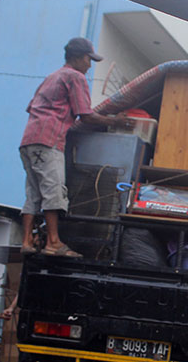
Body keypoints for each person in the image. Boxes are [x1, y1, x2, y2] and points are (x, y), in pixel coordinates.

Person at [19, 37, 138, 258]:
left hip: (28, 141)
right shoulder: (75, 77)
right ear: (77, 57)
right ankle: (53, 242)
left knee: (33, 193)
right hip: (49, 141)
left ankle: (26, 241)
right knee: (54, 190)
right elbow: (86, 115)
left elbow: (32, 108)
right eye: (88, 59)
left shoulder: (52, 77)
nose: (89, 65)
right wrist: (115, 121)